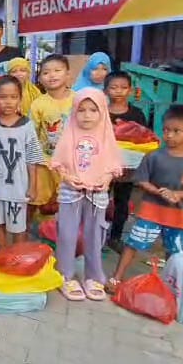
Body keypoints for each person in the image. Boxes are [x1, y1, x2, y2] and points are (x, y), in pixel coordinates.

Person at [107, 105, 183, 293]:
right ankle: (116, 278)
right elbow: (141, 180)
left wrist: (178, 195)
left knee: (175, 254)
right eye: (166, 130)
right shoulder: (154, 157)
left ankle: (172, 290)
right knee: (133, 244)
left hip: (180, 217)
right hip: (150, 213)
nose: (169, 135)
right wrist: (158, 191)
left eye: (176, 131)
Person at [51, 88, 123, 302]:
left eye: (93, 110)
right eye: (81, 110)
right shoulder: (69, 132)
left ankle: (93, 276)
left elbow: (112, 166)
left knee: (95, 235)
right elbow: (59, 164)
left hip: (97, 194)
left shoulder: (106, 135)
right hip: (71, 192)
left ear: (102, 112)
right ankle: (65, 275)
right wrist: (68, 178)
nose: (87, 115)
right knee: (67, 234)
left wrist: (106, 180)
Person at [0, 76, 45, 250]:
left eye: (13, 97)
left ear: (20, 99)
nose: (8, 102)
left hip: (19, 187)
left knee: (18, 225)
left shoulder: (27, 126)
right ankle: (3, 253)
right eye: (3, 97)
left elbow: (32, 157)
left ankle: (17, 255)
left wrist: (33, 185)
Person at [105, 71, 149, 253]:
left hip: (127, 169)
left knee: (121, 202)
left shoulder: (137, 114)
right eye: (114, 87)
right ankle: (95, 235)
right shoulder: (100, 112)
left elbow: (144, 139)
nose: (119, 91)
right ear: (106, 90)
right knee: (97, 200)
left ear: (130, 90)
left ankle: (115, 237)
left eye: (123, 88)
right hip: (103, 166)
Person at [29, 54, 75, 220]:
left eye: (57, 70)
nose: (52, 75)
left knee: (68, 202)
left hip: (72, 163)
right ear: (40, 78)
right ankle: (36, 237)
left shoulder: (78, 100)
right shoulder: (38, 104)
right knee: (40, 203)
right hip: (45, 163)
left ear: (68, 74)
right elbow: (31, 135)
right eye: (46, 72)